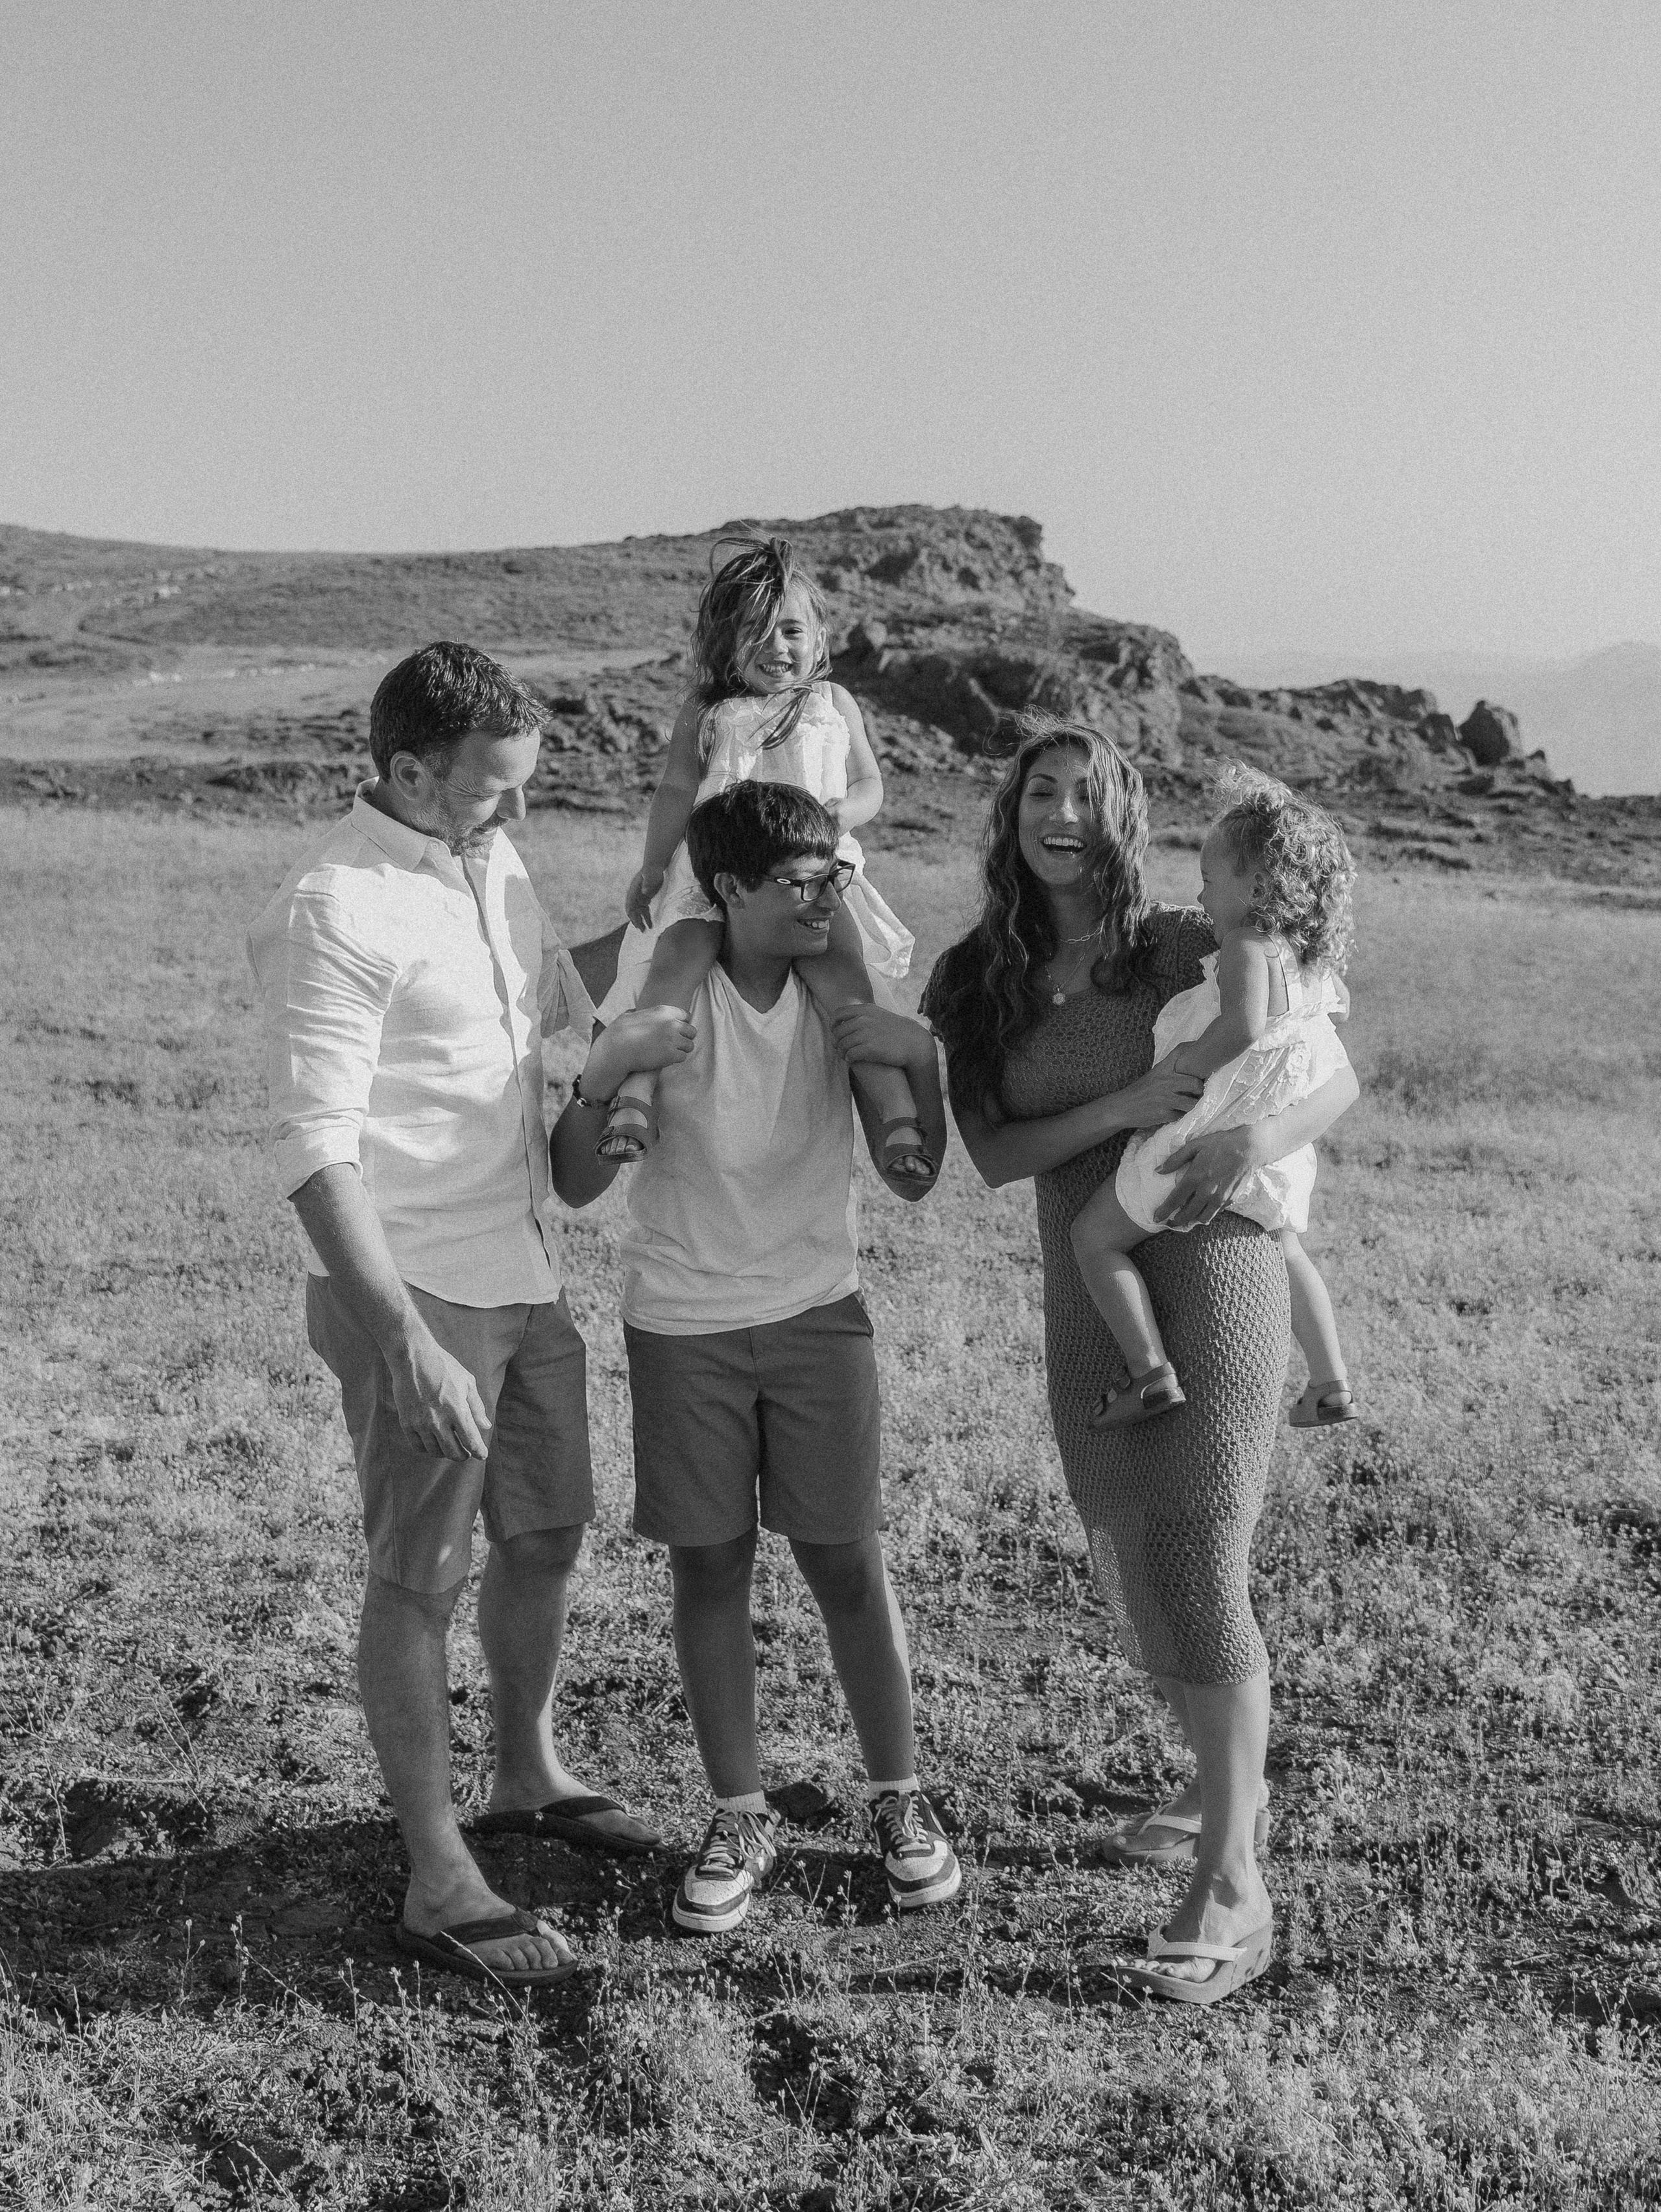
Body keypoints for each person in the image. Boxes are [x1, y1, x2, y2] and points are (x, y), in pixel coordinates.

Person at [247, 642, 670, 1990]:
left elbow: (558, 994)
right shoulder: (334, 905)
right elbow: (316, 1151)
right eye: (493, 790)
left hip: (523, 1266)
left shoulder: (491, 866)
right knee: (417, 1579)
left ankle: (527, 1771)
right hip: (415, 1284)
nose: (513, 813)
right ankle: (438, 1876)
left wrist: (687, 916)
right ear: (409, 770)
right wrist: (401, 1340)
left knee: (545, 1531)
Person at [919, 716, 1360, 2006]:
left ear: (1123, 820)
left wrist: (1249, 1137)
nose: (1059, 814)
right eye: (1038, 792)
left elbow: (1329, 1072)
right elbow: (994, 1157)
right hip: (1090, 1283)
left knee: (1193, 1555)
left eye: (1085, 796)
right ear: (1010, 813)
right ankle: (1215, 1788)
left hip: (1214, 1263)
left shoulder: (1173, 940)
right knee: (1135, 1551)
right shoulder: (970, 978)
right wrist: (1123, 1105)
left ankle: (1234, 1886)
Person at [549, 779, 962, 1935]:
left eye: (839, 871)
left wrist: (919, 1069)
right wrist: (605, 1075)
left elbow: (913, 1174)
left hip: (818, 1311)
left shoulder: (837, 982)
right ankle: (739, 1810)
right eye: (803, 878)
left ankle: (900, 1797)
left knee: (845, 1561)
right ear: (728, 889)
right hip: (682, 1318)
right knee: (711, 1567)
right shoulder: (664, 981)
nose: (832, 892)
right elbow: (578, 1181)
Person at [594, 530, 933, 1196]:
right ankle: (636, 1089)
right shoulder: (709, 710)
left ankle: (894, 1110)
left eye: (791, 631)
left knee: (846, 977)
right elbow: (673, 792)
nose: (776, 649)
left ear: (819, 635)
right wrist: (654, 866)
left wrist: (843, 814)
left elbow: (871, 784)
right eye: (755, 632)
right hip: (716, 870)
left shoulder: (833, 704)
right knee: (678, 957)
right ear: (723, 641)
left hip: (811, 874)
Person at [1070, 766, 1361, 1430]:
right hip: (1274, 1151)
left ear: (1258, 886)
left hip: (1204, 1131)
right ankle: (1328, 1380)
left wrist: (1187, 1062)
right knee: (1287, 1251)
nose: (1199, 895)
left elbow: (1245, 1026)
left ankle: (1147, 1371)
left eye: (1207, 879)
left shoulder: (1246, 947)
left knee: (1093, 1238)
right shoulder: (1309, 961)